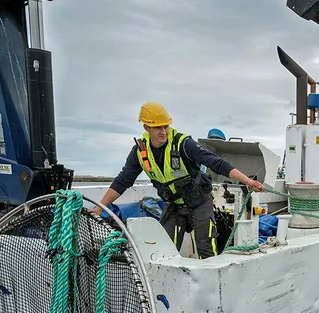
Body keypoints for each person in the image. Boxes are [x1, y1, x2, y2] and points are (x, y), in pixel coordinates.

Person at [93, 102, 264, 258]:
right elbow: (123, 180)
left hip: (199, 202)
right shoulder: (140, 152)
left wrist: (247, 181)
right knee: (165, 250)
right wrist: (100, 208)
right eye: (157, 127)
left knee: (207, 250)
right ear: (146, 127)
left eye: (165, 126)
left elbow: (216, 163)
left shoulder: (184, 144)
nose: (163, 132)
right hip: (175, 205)